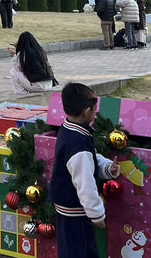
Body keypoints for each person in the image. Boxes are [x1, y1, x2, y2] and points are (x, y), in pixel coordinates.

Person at [49, 82, 120, 258]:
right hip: (74, 212)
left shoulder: (71, 129)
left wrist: (106, 167)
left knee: (83, 250)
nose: (96, 113)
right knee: (77, 252)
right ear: (86, 111)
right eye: (95, 110)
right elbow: (85, 183)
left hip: (71, 210)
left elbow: (90, 158)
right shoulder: (78, 143)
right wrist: (97, 214)